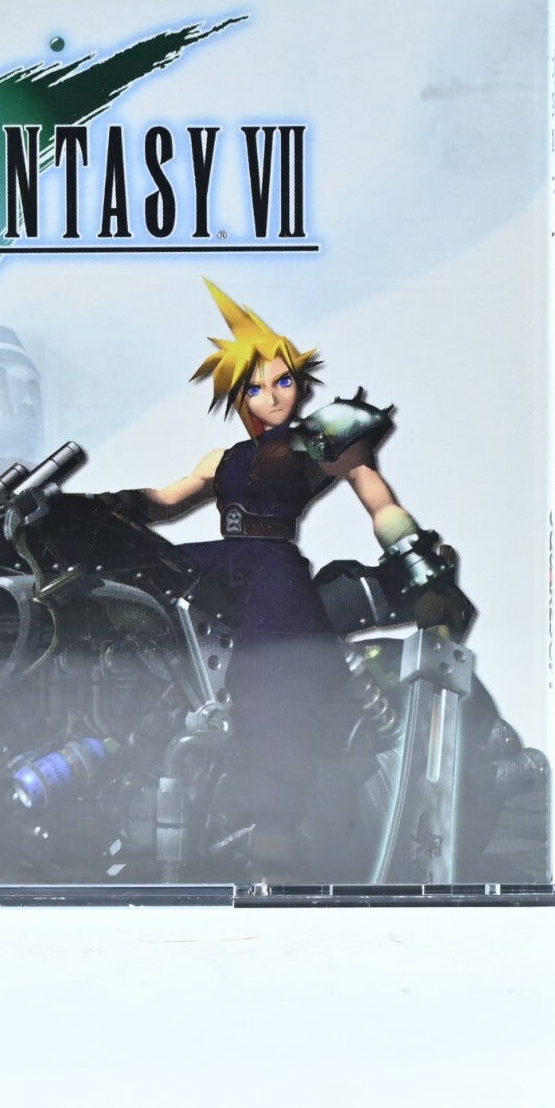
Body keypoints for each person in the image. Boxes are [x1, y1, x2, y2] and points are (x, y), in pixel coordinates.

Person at [110, 280, 447, 871]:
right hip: (220, 561)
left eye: (283, 381)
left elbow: (377, 498)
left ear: (300, 382)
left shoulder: (322, 439)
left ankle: (274, 829)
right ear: (238, 398)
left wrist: (411, 553)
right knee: (131, 593)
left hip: (271, 564)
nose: (272, 396)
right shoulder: (221, 459)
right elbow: (164, 501)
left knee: (278, 678)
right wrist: (101, 506)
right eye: (256, 387)